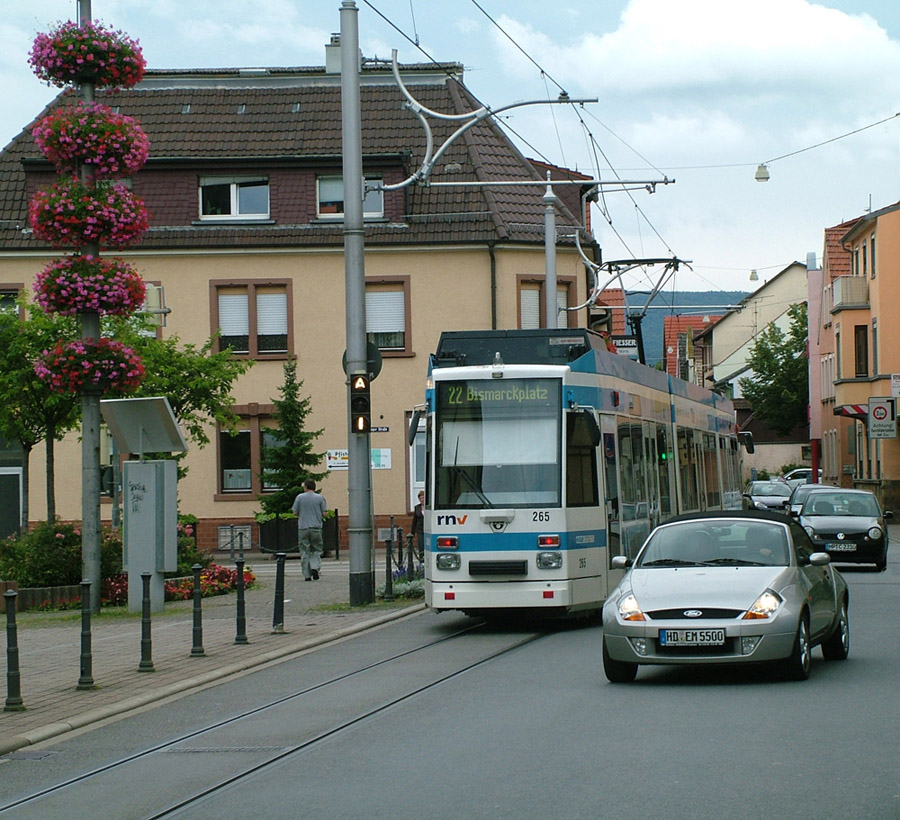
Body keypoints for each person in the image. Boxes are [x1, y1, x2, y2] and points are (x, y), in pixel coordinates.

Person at [292, 479, 327, 581]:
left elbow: (295, 512)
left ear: (306, 487)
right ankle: (315, 567)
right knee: (316, 549)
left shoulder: (299, 497)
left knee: (304, 550)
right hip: (316, 527)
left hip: (303, 527)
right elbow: (324, 513)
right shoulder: (320, 498)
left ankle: (307, 575)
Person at [410, 490, 425, 560]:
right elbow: (414, 520)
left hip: (428, 529)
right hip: (420, 529)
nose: (422, 500)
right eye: (420, 498)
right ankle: (421, 559)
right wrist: (412, 532)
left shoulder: (429, 507)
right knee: (421, 544)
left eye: (423, 498)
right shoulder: (417, 507)